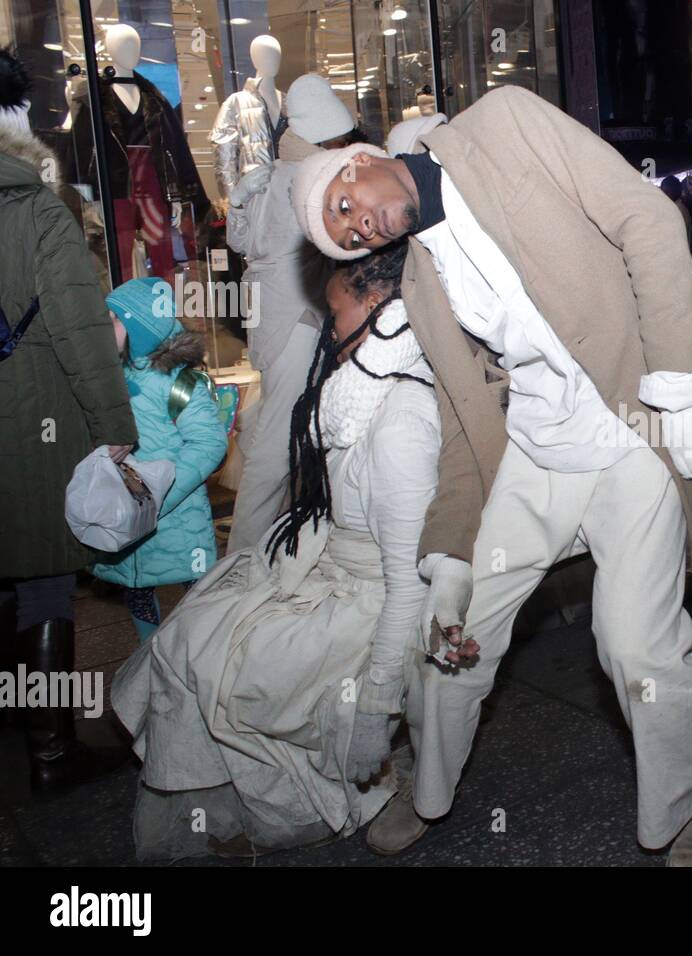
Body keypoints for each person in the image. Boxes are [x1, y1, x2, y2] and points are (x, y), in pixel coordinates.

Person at [291, 85, 692, 865]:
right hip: (537, 450)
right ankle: (430, 792)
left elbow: (646, 219)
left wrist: (679, 386)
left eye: (344, 200)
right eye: (343, 233)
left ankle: (691, 801)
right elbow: (460, 418)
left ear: (362, 158)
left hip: (633, 429)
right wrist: (448, 554)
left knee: (635, 644)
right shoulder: (418, 279)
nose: (357, 224)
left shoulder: (505, 122)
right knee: (452, 640)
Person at [111, 244, 445, 859]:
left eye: (337, 314)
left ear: (378, 307)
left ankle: (316, 793)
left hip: (363, 600)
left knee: (221, 666)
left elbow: (407, 584)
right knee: (191, 634)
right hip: (327, 563)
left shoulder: (401, 421)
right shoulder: (357, 390)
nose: (330, 330)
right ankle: (227, 798)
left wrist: (375, 703)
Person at [0, 50, 139, 792]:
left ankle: (16, 718)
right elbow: (83, 335)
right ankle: (51, 754)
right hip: (33, 423)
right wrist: (118, 427)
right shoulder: (39, 214)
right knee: (46, 583)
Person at [225, 74, 359, 551]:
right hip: (294, 311)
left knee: (283, 412)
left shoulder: (279, 171)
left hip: (277, 306)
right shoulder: (305, 177)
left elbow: (242, 243)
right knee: (280, 436)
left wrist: (238, 204)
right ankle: (241, 555)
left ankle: (252, 432)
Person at [91, 279, 227, 638]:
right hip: (130, 510)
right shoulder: (112, 376)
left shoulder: (180, 384)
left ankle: (201, 658)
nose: (104, 326)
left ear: (139, 326)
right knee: (136, 587)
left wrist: (160, 493)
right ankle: (149, 660)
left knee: (195, 593)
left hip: (176, 512)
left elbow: (209, 444)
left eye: (113, 319)